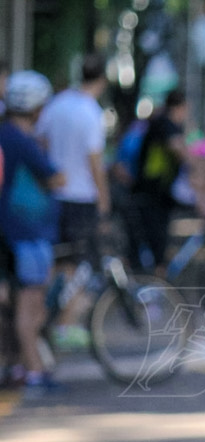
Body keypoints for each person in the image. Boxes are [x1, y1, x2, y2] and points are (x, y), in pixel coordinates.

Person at [0, 71, 66, 396]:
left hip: (11, 231)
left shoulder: (4, 134)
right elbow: (56, 178)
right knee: (31, 305)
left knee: (17, 304)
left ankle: (17, 366)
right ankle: (34, 371)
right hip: (25, 232)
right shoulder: (23, 141)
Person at [36, 53, 111, 271]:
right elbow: (95, 162)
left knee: (56, 260)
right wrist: (104, 201)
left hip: (54, 194)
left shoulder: (57, 103)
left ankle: (50, 304)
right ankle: (70, 305)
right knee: (77, 265)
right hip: (81, 198)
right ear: (102, 80)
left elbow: (40, 141)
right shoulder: (92, 113)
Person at [131, 89, 189, 275]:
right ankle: (154, 285)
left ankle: (152, 280)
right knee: (156, 243)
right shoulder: (166, 124)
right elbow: (180, 152)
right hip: (153, 193)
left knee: (152, 241)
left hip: (154, 192)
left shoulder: (159, 122)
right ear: (182, 107)